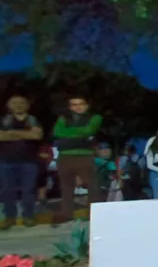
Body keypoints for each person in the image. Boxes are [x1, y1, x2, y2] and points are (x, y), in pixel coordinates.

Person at [53, 95, 102, 223]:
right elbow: (58, 132)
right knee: (66, 187)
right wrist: (80, 133)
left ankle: (94, 214)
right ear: (70, 107)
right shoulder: (63, 118)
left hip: (84, 155)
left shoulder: (95, 117)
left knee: (92, 186)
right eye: (74, 104)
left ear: (86, 105)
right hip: (64, 156)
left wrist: (68, 133)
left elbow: (90, 130)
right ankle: (67, 213)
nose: (78, 107)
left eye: (81, 104)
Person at [0, 95, 43, 229]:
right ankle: (9, 217)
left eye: (21, 103)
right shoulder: (4, 120)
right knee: (6, 191)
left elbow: (37, 135)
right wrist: (26, 133)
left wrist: (12, 133)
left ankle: (28, 217)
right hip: (7, 161)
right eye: (14, 103)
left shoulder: (33, 120)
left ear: (27, 105)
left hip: (29, 161)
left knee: (29, 191)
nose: (18, 105)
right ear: (9, 106)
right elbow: (1, 136)